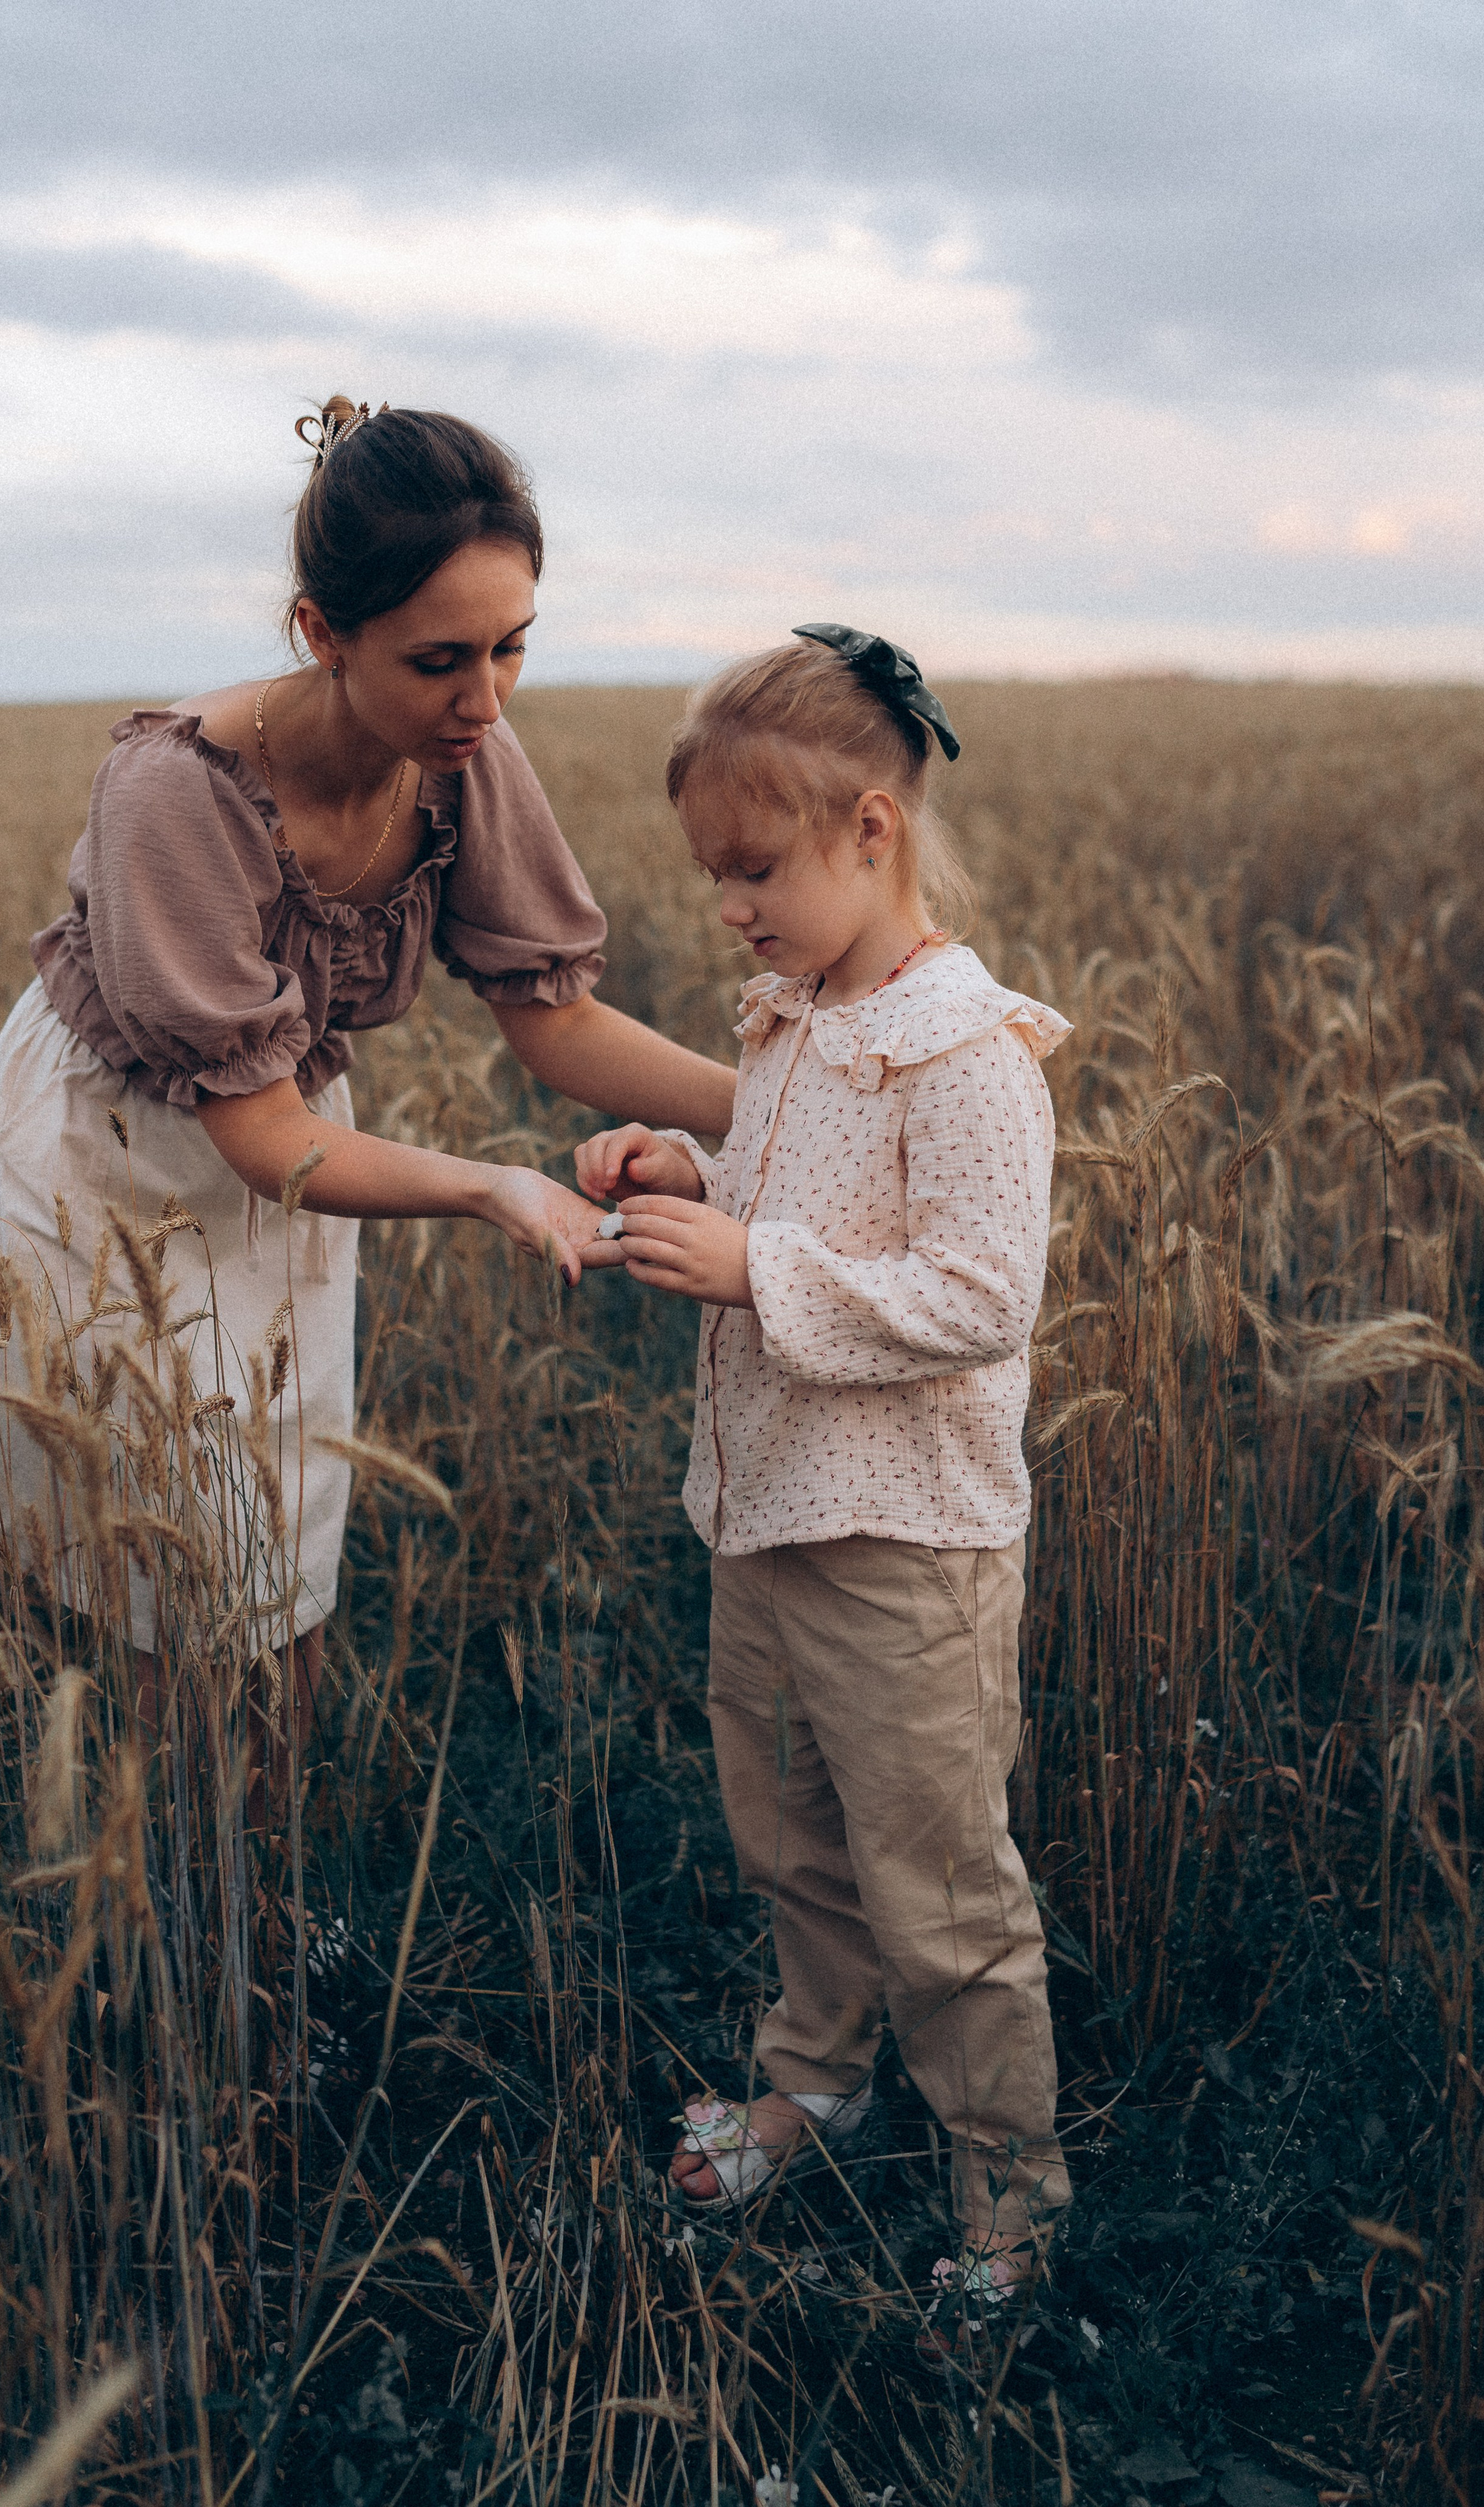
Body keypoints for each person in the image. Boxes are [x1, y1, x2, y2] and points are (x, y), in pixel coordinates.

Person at [0, 397, 736, 1752]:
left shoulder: (463, 759)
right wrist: (494, 1188)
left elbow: (554, 1021)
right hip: (109, 1144)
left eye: (513, 647)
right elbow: (257, 1135)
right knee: (127, 1544)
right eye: (439, 659)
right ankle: (126, 1891)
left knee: (274, 1537)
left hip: (293, 1145)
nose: (484, 698)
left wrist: (788, 1097)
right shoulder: (179, 790)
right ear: (320, 633)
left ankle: (265, 1902)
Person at [575, 625, 1073, 2318]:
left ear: (874, 829)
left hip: (905, 1543)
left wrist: (750, 1269)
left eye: (757, 867)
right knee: (786, 1832)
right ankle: (820, 2074)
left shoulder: (966, 1047)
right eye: (714, 873)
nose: (731, 906)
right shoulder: (793, 1016)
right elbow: (801, 1189)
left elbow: (982, 1294)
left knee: (940, 1886)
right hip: (766, 1509)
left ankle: (1008, 2192)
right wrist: (683, 1165)